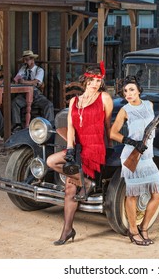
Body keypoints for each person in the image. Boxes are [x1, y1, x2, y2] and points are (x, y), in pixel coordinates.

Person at [46, 62, 113, 245]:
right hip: (78, 147)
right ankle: (86, 182)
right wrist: (69, 149)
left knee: (69, 189)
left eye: (98, 81)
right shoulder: (74, 101)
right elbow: (71, 129)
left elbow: (107, 124)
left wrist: (110, 145)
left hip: (95, 147)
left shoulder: (104, 98)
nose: (95, 84)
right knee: (51, 161)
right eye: (92, 80)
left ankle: (67, 230)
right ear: (85, 80)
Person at [110, 74, 159, 246]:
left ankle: (144, 228)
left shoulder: (150, 105)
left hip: (147, 156)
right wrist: (131, 142)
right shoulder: (125, 110)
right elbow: (112, 133)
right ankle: (133, 231)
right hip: (131, 154)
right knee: (132, 195)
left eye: (132, 90)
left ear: (139, 90)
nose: (128, 93)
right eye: (126, 91)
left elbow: (150, 128)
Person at [11, 50, 54, 132]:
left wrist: (24, 82)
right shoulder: (23, 69)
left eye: (27, 60)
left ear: (32, 60)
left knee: (49, 105)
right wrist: (16, 80)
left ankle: (50, 126)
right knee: (15, 103)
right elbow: (16, 78)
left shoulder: (39, 70)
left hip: (36, 94)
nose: (25, 62)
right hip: (24, 94)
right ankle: (17, 124)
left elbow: (36, 82)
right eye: (24, 60)